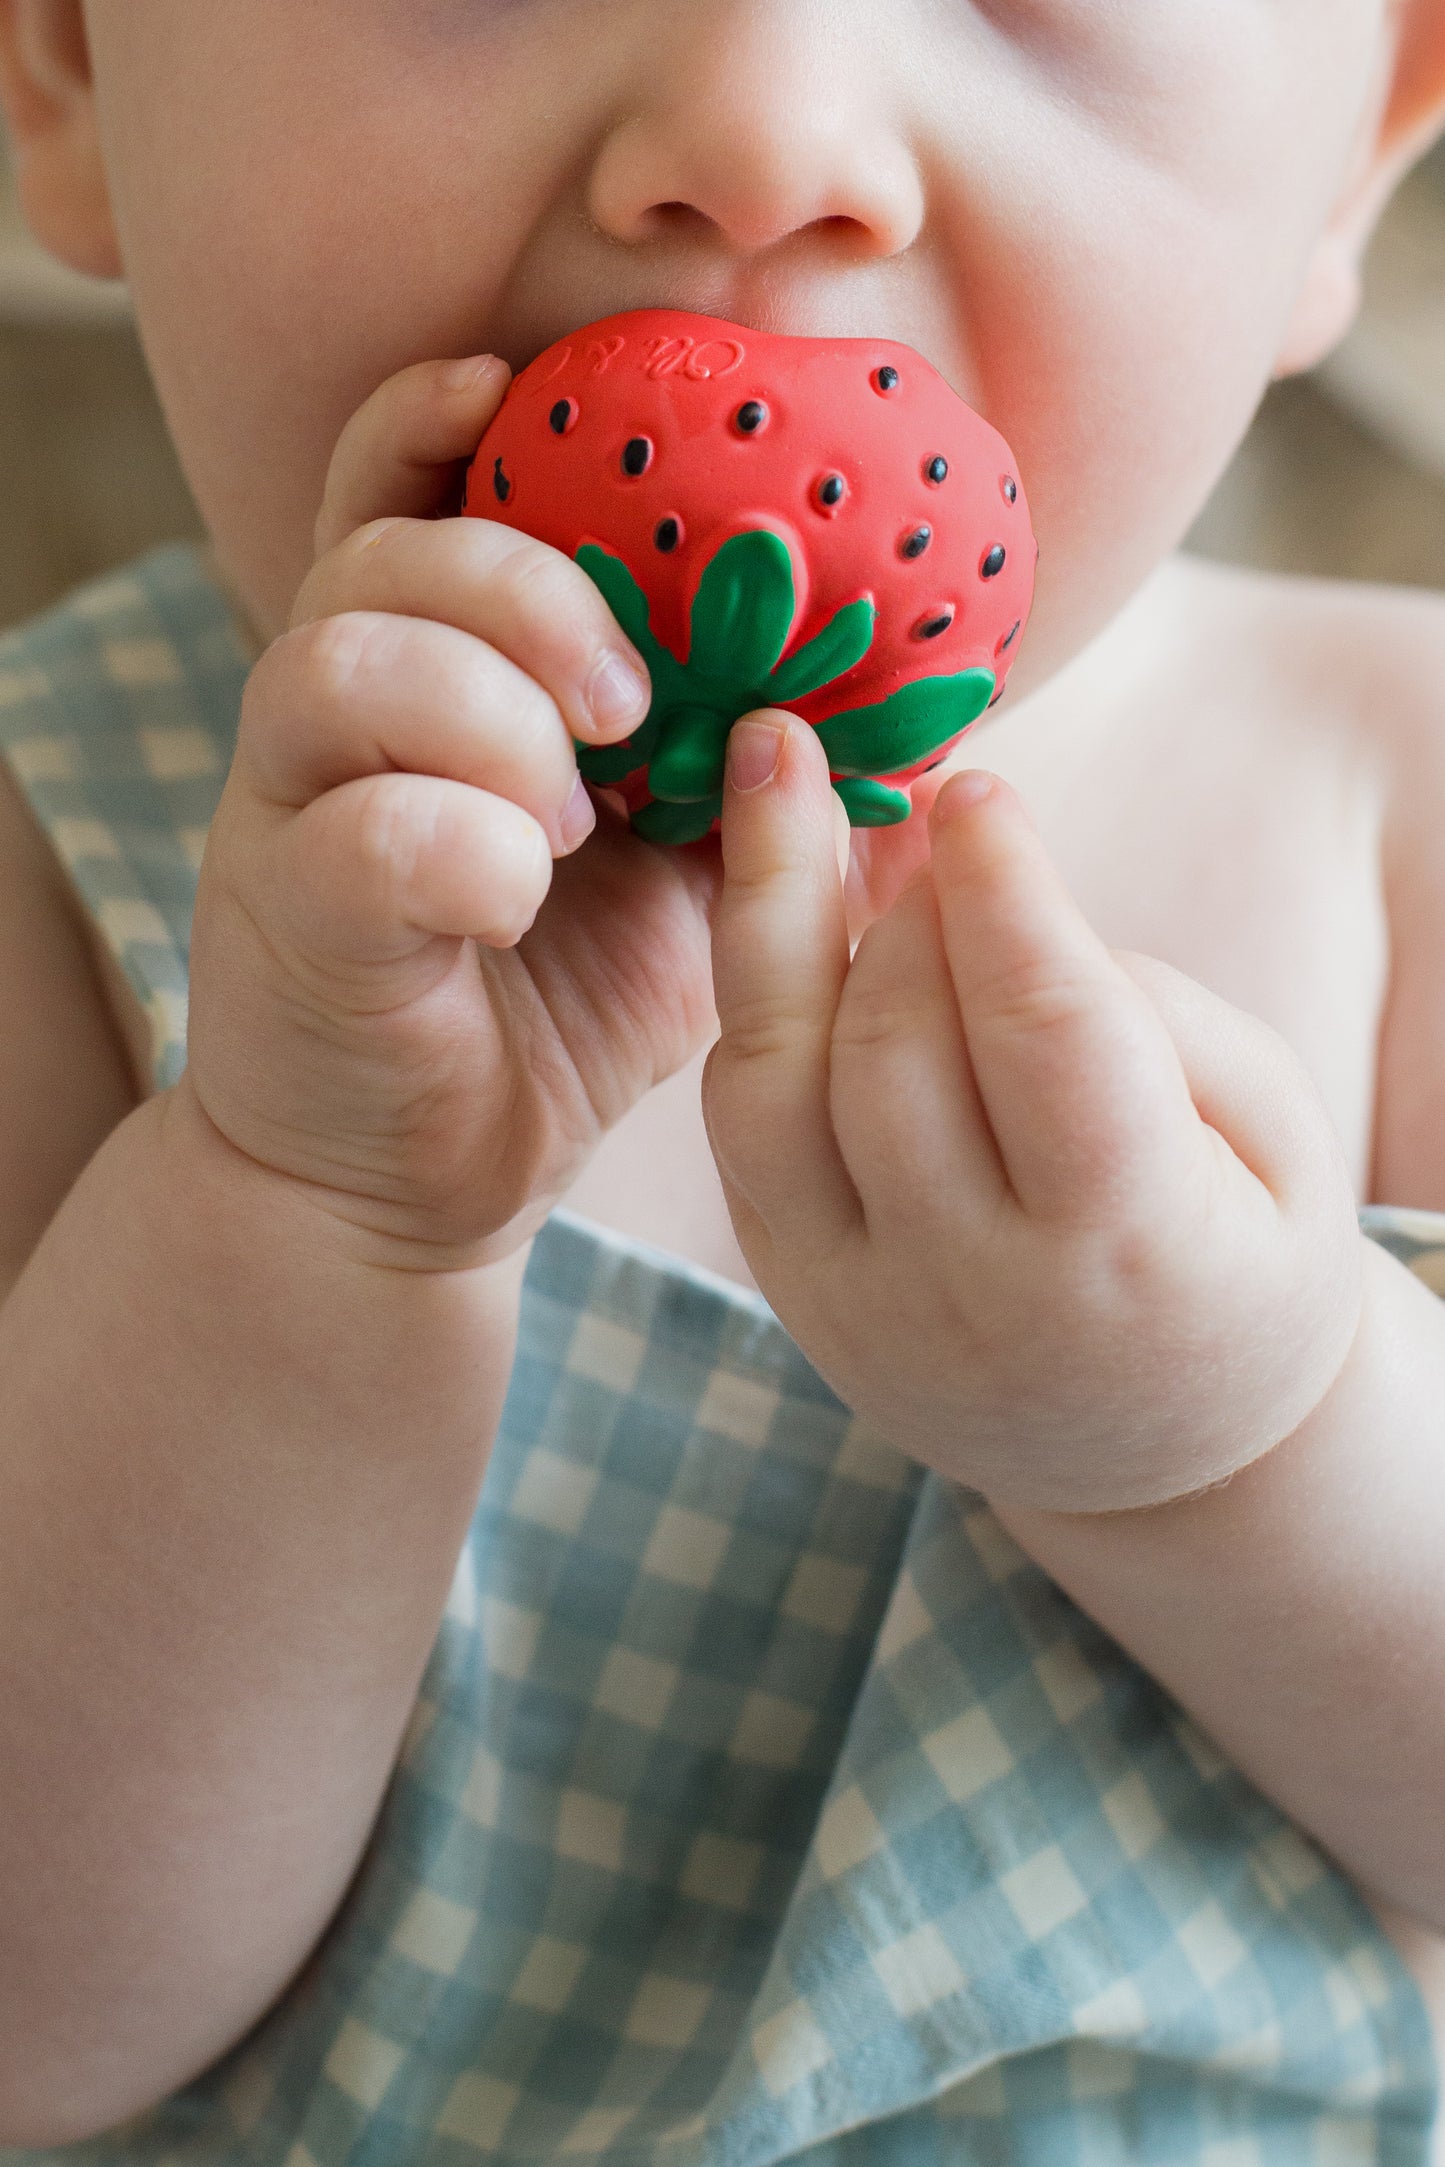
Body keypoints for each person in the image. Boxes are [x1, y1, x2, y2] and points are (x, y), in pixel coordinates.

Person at [2, 0, 1445, 2158]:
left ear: (1356, 152)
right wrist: (307, 1212)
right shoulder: (52, 849)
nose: (763, 137)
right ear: (75, 69)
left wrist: (1244, 1429)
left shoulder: (1391, 818)